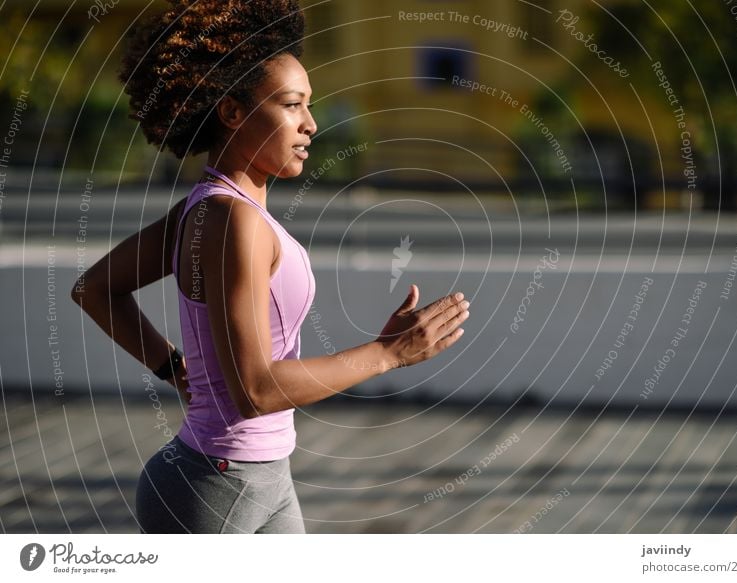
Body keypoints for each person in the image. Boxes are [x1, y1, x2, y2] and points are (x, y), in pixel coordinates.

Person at [71, 0, 470, 534]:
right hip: (216, 486)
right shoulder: (231, 218)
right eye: (291, 104)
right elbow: (255, 390)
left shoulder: (213, 206)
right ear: (233, 112)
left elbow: (94, 288)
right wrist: (388, 354)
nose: (310, 124)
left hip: (258, 476)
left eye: (310, 106)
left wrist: (174, 369)